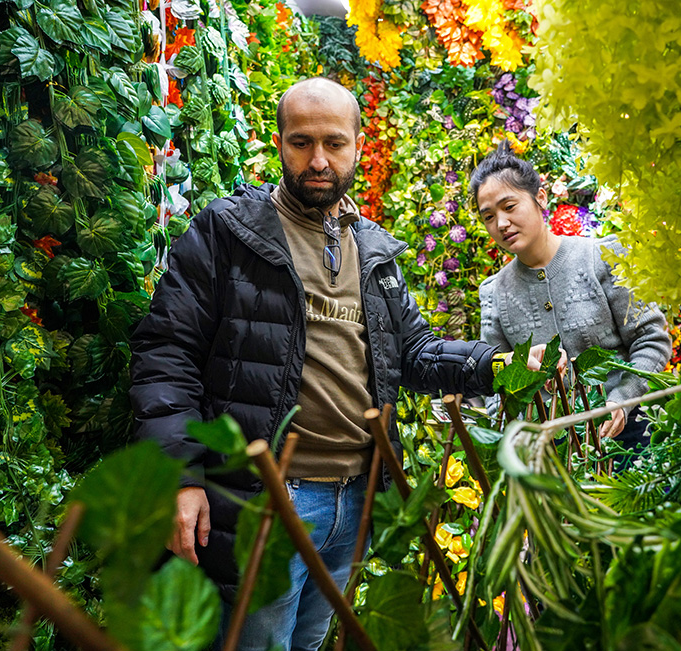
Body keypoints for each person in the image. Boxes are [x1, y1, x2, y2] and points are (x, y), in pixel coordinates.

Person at [129, 79, 558, 651]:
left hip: (354, 496)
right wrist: (181, 476)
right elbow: (165, 353)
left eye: (334, 143)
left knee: (308, 643)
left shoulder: (374, 250)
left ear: (358, 144)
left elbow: (414, 352)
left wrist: (497, 363)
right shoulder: (229, 232)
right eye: (301, 142)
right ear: (278, 144)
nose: (318, 160)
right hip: (269, 498)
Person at [473, 142, 671, 449]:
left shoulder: (602, 258)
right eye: (488, 217)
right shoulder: (494, 294)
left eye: (509, 207)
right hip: (554, 456)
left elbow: (651, 339)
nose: (501, 224)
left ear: (540, 197)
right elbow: (496, 379)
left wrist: (621, 401)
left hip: (632, 438)